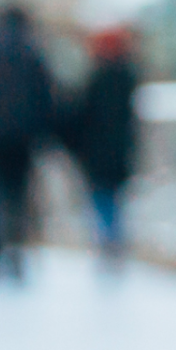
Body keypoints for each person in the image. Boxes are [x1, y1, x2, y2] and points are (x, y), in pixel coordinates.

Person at [0, 2, 58, 282]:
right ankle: (17, 247)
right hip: (23, 138)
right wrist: (42, 134)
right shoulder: (32, 53)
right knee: (18, 194)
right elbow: (47, 98)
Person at [62, 27, 141, 267]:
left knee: (101, 196)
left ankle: (107, 240)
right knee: (113, 197)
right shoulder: (128, 76)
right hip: (119, 149)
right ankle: (113, 240)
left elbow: (81, 113)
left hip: (98, 150)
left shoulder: (96, 77)